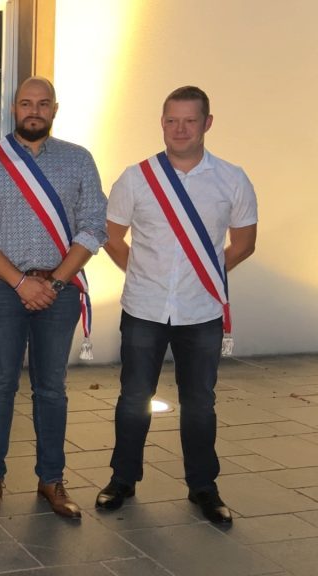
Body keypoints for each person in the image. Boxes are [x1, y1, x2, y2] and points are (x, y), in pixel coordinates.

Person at [96, 86, 257, 525]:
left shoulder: (232, 178)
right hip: (144, 307)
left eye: (189, 120)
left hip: (201, 310)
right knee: (133, 399)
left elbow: (244, 242)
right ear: (162, 123)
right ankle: (123, 479)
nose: (180, 129)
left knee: (200, 404)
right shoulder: (137, 177)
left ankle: (203, 487)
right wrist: (141, 271)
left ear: (207, 123)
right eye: (172, 120)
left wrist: (205, 273)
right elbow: (111, 235)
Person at [0, 76, 107, 519]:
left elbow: (93, 225)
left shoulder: (79, 160)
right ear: (13, 109)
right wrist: (22, 283)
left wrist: (56, 281)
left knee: (51, 389)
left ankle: (51, 479)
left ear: (55, 109)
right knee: (0, 385)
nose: (34, 111)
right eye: (26, 103)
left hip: (59, 291)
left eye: (43, 104)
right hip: (3, 289)